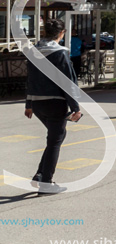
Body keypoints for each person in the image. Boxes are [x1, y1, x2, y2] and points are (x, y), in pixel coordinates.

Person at [25, 18, 82, 194]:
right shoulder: (60, 53)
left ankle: (39, 176)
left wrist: (28, 104)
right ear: (61, 33)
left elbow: (30, 79)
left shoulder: (33, 51)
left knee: (55, 137)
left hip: (37, 102)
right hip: (55, 102)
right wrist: (76, 107)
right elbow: (67, 82)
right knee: (55, 140)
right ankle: (46, 183)